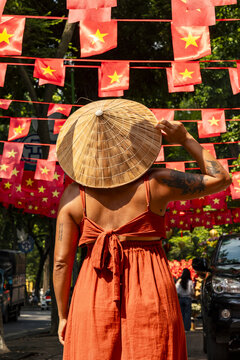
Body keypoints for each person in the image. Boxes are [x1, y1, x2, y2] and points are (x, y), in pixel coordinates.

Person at [53, 99, 231, 360]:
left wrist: (63, 315)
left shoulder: (72, 196)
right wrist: (185, 138)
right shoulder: (157, 183)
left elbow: (61, 262)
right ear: (134, 147)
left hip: (92, 293)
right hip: (151, 288)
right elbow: (221, 179)